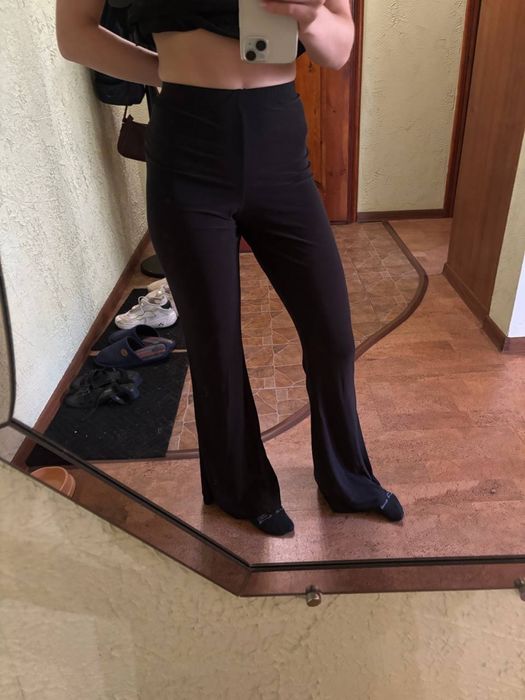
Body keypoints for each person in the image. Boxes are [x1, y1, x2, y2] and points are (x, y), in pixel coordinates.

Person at [55, 0, 404, 537]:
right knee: (214, 343)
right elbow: (75, 34)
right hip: (186, 148)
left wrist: (308, 15)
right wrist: (164, 71)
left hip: (279, 145)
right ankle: (242, 489)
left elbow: (338, 48)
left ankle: (348, 478)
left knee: (332, 333)